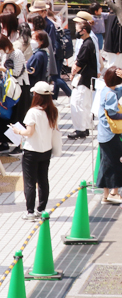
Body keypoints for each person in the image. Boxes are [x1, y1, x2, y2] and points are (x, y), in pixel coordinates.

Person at [18, 81, 58, 219]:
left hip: (31, 151)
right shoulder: (53, 111)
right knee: (43, 180)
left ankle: (30, 212)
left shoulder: (33, 112)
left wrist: (17, 131)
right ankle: (41, 209)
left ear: (36, 95)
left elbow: (29, 132)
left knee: (30, 182)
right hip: (46, 150)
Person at [95, 67, 122, 205]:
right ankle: (114, 193)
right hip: (111, 134)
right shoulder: (111, 95)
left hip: (104, 134)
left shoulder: (106, 91)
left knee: (106, 164)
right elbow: (113, 114)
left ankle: (106, 195)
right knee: (118, 163)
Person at [68, 13, 98, 139]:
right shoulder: (89, 42)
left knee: (77, 103)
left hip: (83, 78)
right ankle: (84, 127)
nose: (76, 33)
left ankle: (80, 129)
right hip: (88, 79)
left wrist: (72, 73)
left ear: (84, 31)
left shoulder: (86, 44)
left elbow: (79, 62)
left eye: (78, 30)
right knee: (84, 104)